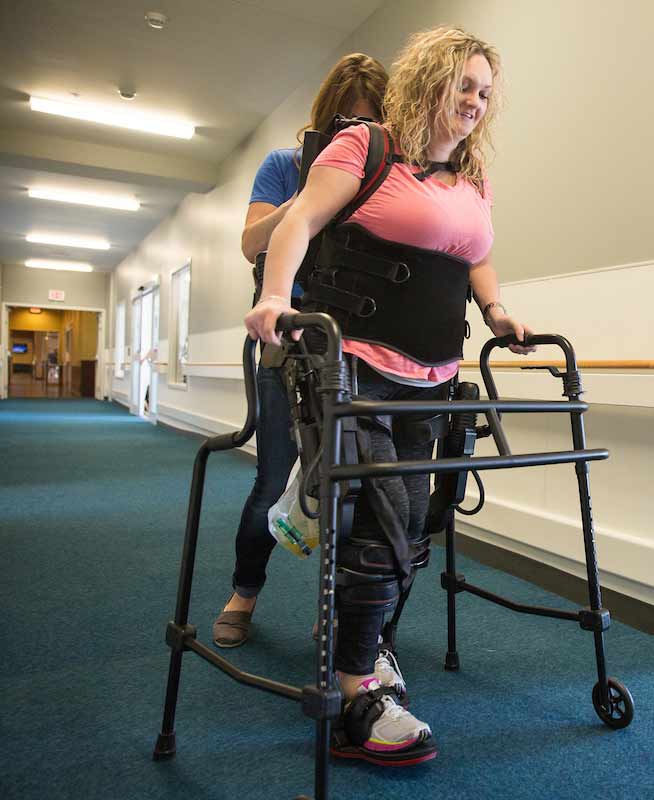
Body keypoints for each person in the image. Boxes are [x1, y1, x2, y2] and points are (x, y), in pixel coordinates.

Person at [244, 26, 533, 767]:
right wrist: (276, 297)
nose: (473, 102)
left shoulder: (472, 176)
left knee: (409, 530)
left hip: (431, 380)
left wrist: (497, 312)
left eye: (484, 92)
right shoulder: (365, 148)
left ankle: (363, 656)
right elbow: (300, 219)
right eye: (462, 85)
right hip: (356, 369)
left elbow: (480, 254)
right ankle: (356, 695)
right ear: (429, 81)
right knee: (382, 526)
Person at [213, 53, 388, 650]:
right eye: (345, 122)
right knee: (273, 478)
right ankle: (243, 592)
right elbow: (250, 243)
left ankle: (340, 615)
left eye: (368, 123)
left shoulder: (384, 174)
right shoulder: (284, 166)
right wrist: (315, 190)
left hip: (354, 348)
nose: (355, 134)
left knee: (355, 490)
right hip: (285, 343)